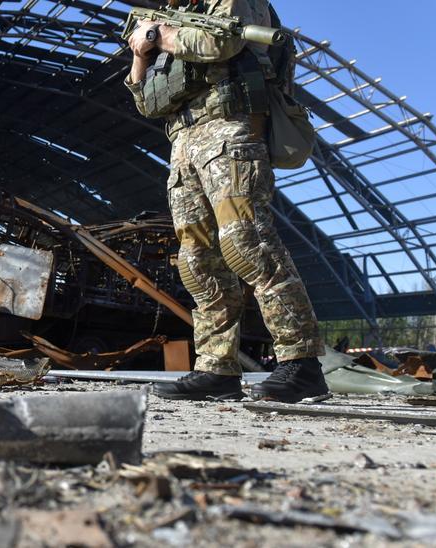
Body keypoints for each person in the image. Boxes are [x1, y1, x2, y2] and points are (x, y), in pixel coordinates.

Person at [123, 0, 328, 402]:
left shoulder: (229, 3)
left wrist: (158, 35)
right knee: (196, 261)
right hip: (183, 144)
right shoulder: (167, 21)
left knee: (246, 242)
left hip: (230, 131)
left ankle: (301, 363)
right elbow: (147, 103)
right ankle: (216, 369)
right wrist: (140, 54)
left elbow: (222, 45)